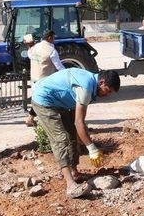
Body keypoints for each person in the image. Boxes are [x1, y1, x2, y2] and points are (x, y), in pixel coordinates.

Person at [31, 68, 120, 198]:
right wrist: (91, 148)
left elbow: (75, 121)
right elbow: (79, 122)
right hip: (44, 101)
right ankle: (70, 185)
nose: (107, 95)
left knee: (71, 132)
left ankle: (74, 172)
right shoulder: (85, 87)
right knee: (60, 139)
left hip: (59, 102)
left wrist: (83, 139)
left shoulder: (90, 83)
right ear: (101, 82)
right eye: (108, 91)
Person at [25, 30, 65, 126]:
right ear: (50, 38)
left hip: (34, 79)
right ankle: (50, 120)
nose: (54, 40)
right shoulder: (51, 51)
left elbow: (30, 55)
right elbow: (59, 66)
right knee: (47, 100)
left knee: (37, 99)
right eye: (53, 38)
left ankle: (30, 118)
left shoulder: (34, 48)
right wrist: (67, 74)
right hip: (45, 80)